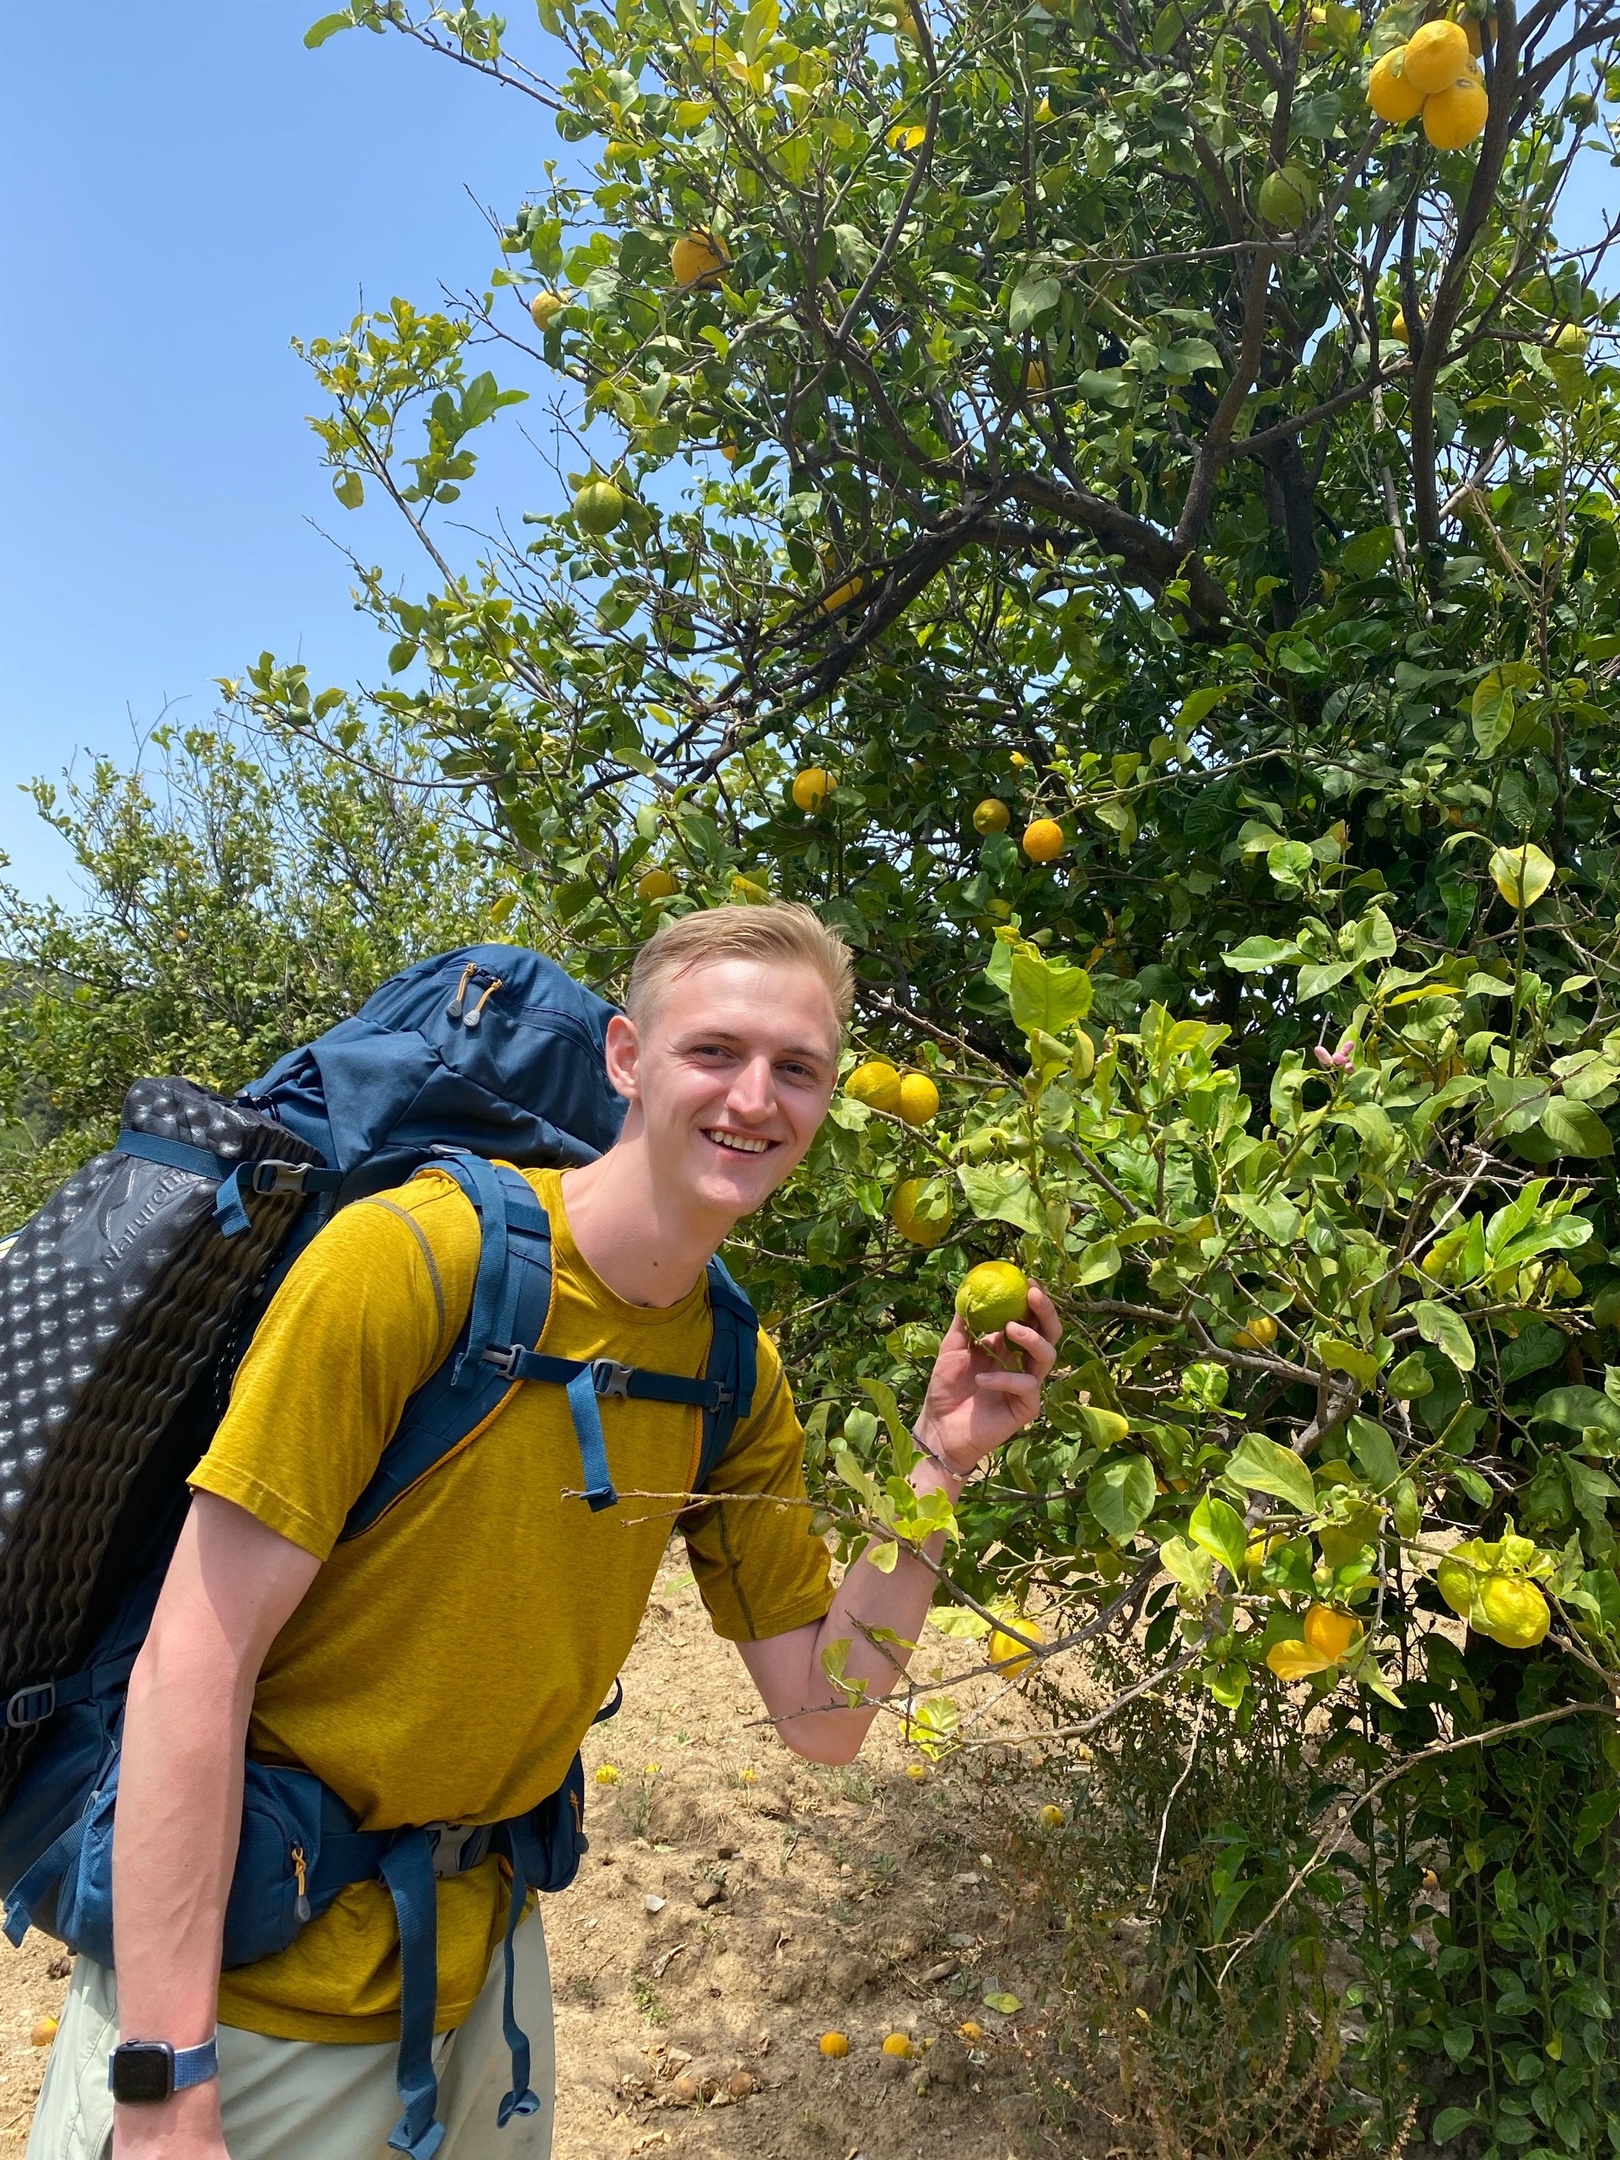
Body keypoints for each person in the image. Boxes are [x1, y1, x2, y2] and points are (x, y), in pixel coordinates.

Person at [27, 902, 1060, 2160]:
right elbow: (195, 1660)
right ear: (627, 1057)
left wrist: (939, 1464)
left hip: (487, 1993)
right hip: (254, 2006)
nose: (754, 1098)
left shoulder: (730, 1368)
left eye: (797, 1068)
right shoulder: (412, 1262)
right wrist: (165, 2080)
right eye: (714, 1051)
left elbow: (824, 1714)